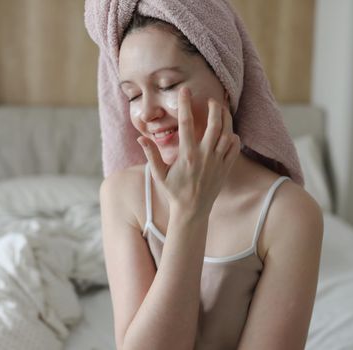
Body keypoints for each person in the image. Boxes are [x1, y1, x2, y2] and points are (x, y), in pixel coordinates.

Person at [94, 7, 323, 350]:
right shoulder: (122, 195)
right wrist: (190, 212)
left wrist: (191, 209)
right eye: (133, 95)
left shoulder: (289, 213)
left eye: (167, 85)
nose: (147, 113)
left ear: (225, 82)